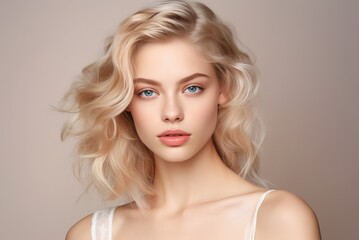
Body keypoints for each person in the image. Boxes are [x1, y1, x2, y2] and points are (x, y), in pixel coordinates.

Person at [62, 1, 321, 239]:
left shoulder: (281, 220)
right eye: (148, 92)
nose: (172, 112)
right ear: (127, 101)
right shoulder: (90, 235)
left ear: (223, 89)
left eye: (192, 88)